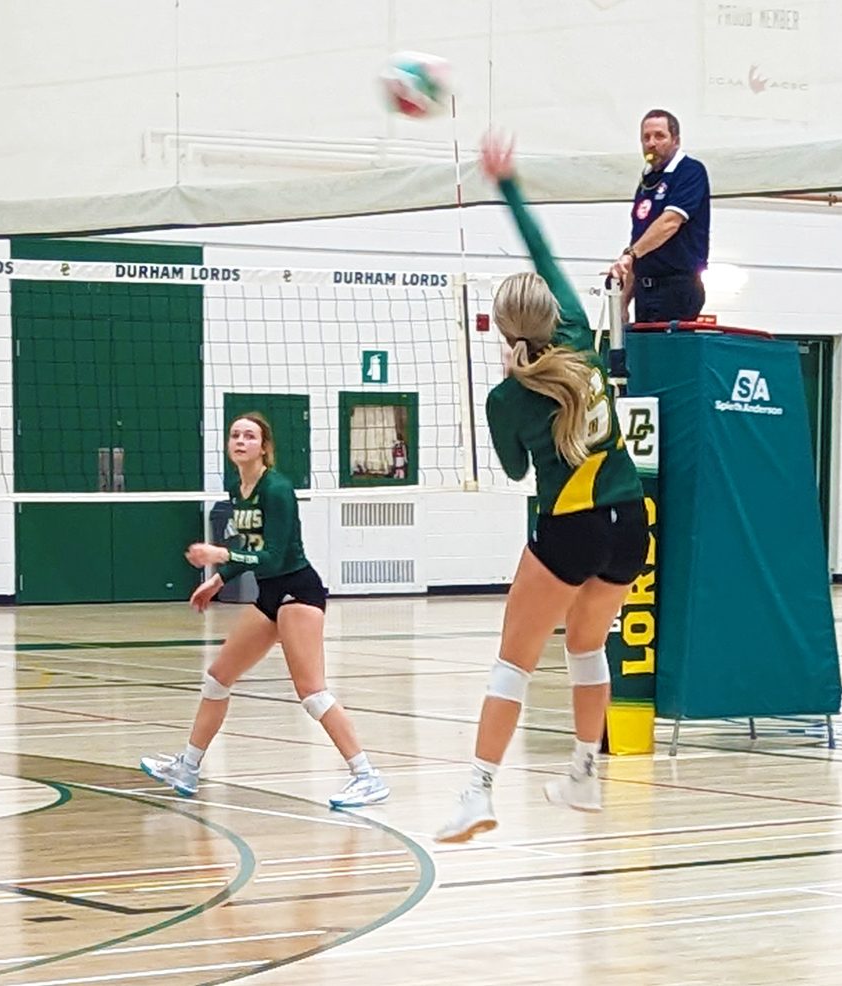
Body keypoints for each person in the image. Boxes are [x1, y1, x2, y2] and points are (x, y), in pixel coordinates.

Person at [435, 134, 649, 843]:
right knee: (587, 649)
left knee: (512, 662)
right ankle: (584, 770)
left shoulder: (509, 396)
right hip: (629, 522)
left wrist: (508, 393)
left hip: (570, 527)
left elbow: (514, 472)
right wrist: (510, 184)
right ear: (551, 313)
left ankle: (478, 790)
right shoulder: (583, 337)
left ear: (504, 328)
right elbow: (543, 252)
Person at [141, 413, 389, 810]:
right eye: (235, 435)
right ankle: (188, 767)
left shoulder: (277, 489)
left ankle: (367, 775)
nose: (240, 440)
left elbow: (273, 557)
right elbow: (252, 545)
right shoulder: (237, 487)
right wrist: (219, 579)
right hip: (269, 595)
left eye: (249, 436)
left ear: (264, 447)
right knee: (218, 678)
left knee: (311, 692)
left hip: (297, 591)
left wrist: (220, 554)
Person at [610, 109, 710, 324]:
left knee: (667, 354)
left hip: (676, 288)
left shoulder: (690, 171)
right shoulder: (647, 181)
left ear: (676, 140)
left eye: (659, 136)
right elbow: (639, 242)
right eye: (646, 138)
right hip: (645, 291)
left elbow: (669, 223)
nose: (651, 143)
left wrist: (630, 254)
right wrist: (623, 301)